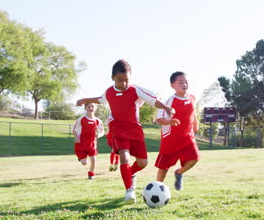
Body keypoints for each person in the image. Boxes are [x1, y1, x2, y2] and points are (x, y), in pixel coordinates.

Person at [76, 59, 173, 203]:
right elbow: (100, 99)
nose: (123, 83)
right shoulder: (109, 92)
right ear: (113, 78)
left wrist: (166, 108)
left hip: (135, 129)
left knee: (143, 162)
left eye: (126, 80)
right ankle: (129, 190)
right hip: (117, 128)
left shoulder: (135, 90)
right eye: (119, 80)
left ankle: (130, 173)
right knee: (124, 156)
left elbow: (153, 101)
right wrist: (85, 99)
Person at [155, 71, 200, 190]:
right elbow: (159, 118)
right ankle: (157, 188)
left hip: (187, 136)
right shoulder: (170, 101)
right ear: (172, 85)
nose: (184, 84)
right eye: (181, 82)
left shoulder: (192, 97)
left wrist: (195, 123)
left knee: (194, 158)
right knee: (164, 167)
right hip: (171, 139)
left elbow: (193, 111)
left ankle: (179, 173)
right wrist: (169, 122)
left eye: (186, 82)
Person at [73, 102, 105, 179]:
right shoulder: (81, 119)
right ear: (85, 108)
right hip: (81, 144)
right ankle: (81, 158)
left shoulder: (98, 120)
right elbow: (74, 130)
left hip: (92, 144)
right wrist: (76, 137)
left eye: (92, 106)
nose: (91, 108)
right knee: (84, 163)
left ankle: (91, 174)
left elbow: (102, 131)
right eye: (88, 107)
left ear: (95, 108)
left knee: (93, 160)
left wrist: (99, 135)